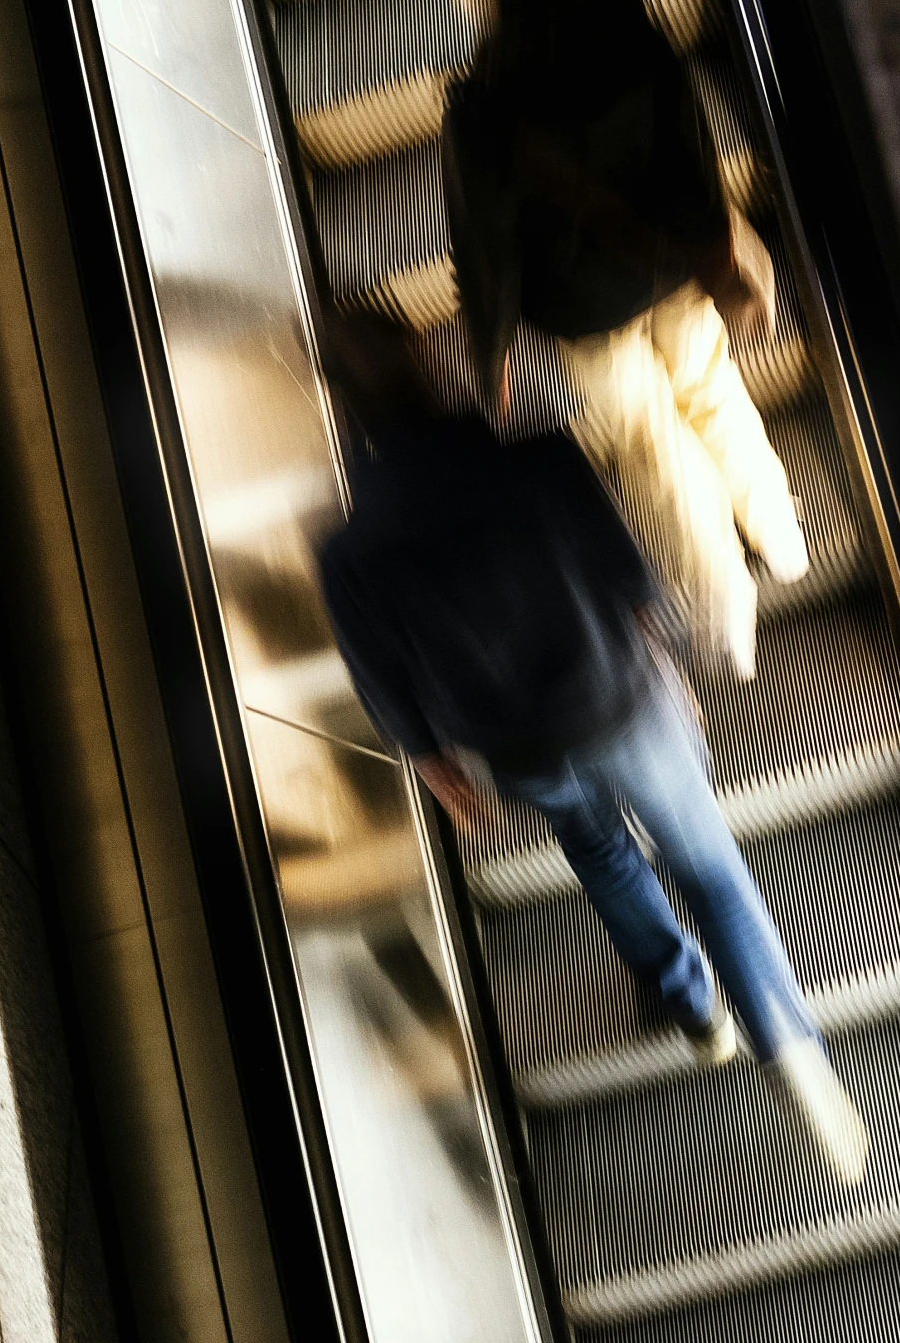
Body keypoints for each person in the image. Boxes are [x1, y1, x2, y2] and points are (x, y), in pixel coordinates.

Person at [314, 311, 869, 1185]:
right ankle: (787, 1042)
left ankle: (689, 1008)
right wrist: (669, 662)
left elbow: (376, 670)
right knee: (710, 871)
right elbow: (627, 572)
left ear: (345, 414)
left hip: (514, 743)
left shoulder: (348, 552)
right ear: (431, 373)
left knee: (600, 855)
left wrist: (429, 758)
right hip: (617, 696)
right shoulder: (536, 459)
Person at [442, 0, 808, 680]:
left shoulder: (482, 103)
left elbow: (486, 240)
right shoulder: (633, 38)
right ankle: (780, 534)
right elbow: (694, 157)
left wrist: (491, 348)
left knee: (650, 442)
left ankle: (723, 611)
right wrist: (715, 253)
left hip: (582, 310)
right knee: (712, 392)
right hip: (671, 270)